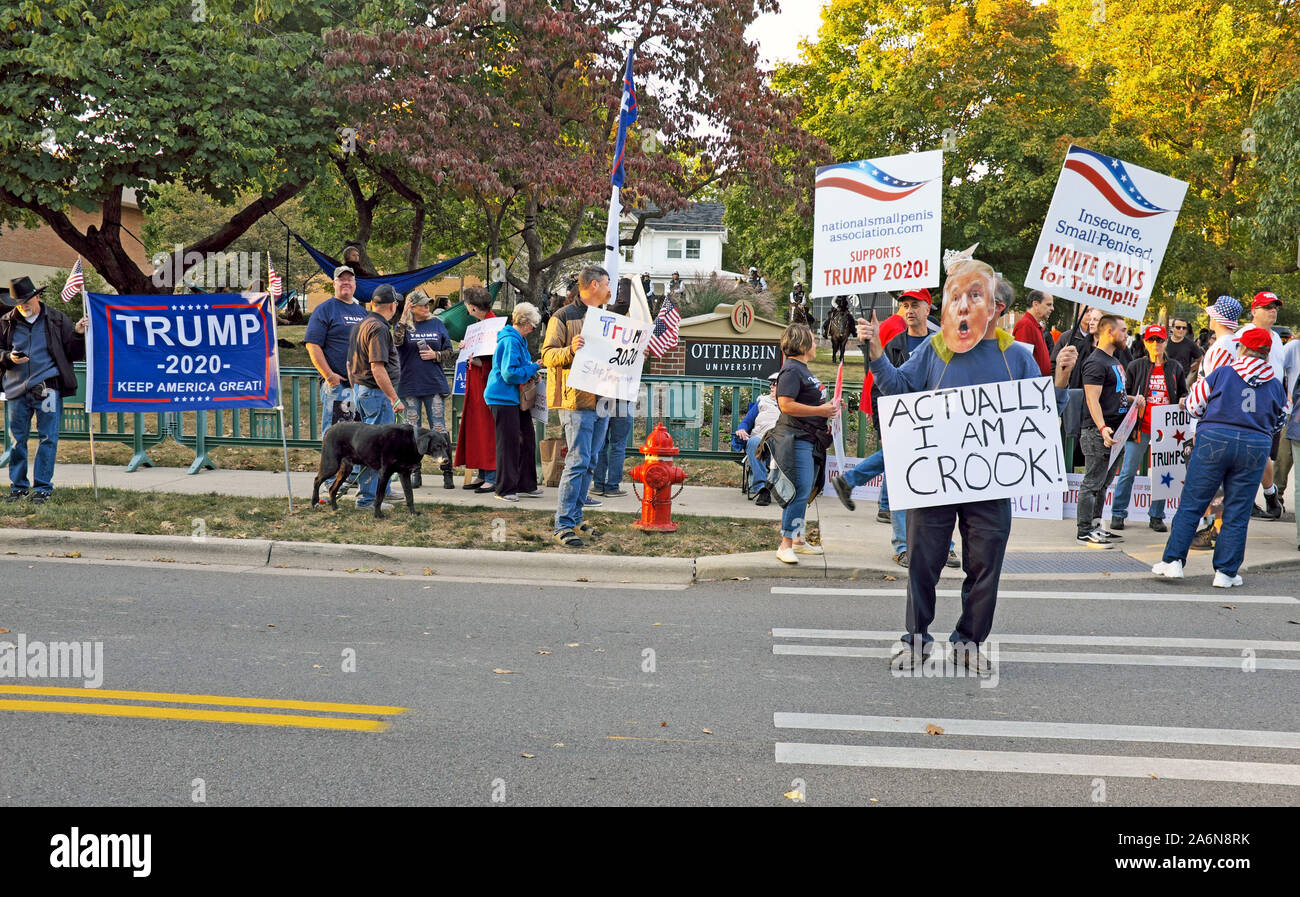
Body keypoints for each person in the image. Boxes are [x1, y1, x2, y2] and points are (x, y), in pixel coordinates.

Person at [860, 258, 1077, 672]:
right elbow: (898, 389)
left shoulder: (1015, 356)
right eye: (957, 296)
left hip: (990, 487)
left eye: (974, 296)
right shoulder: (936, 347)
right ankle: (916, 639)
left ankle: (968, 643)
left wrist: (1062, 380)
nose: (964, 306)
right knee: (923, 562)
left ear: (995, 306)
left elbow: (1042, 416)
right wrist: (875, 355)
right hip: (934, 480)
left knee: (985, 567)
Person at [1152, 328, 1290, 587]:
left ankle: (1173, 562)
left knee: (1193, 502)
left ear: (1244, 349)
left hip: (1215, 437)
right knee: (1237, 511)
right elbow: (1280, 420)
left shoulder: (1224, 373)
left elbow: (1194, 405)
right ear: (1266, 353)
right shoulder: (1274, 383)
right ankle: (1226, 572)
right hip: (1255, 444)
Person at [833, 288, 955, 568]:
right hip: (902, 424)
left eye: (916, 305)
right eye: (905, 305)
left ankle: (945, 547)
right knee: (901, 486)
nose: (910, 310)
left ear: (928, 308)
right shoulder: (895, 344)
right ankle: (903, 547)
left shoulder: (942, 343)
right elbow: (880, 383)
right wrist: (883, 420)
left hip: (937, 426)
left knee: (944, 487)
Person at [0, 276, 88, 503]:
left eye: (27, 301)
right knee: (17, 440)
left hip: (48, 387)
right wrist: (8, 357)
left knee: (48, 437)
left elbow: (74, 353)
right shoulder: (6, 322)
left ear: (37, 296)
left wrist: (78, 333)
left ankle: (42, 488)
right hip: (16, 389)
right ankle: (18, 487)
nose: (23, 306)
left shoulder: (57, 320)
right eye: (19, 303)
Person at [543, 265, 612, 547]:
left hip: (603, 399)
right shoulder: (562, 317)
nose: (610, 289)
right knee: (577, 461)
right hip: (575, 400)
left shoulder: (608, 319)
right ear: (594, 285)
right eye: (607, 284)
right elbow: (547, 356)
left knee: (590, 462)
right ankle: (563, 524)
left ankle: (576, 517)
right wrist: (571, 349)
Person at [769, 323, 839, 564]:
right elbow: (785, 404)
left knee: (805, 489)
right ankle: (785, 544)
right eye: (813, 339)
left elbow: (809, 402)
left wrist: (827, 409)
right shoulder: (791, 371)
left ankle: (797, 539)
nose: (816, 343)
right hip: (795, 439)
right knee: (798, 491)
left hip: (809, 439)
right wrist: (820, 410)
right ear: (802, 343)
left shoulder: (802, 369)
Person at [1110, 325, 1187, 534]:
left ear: (1166, 342)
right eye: (1151, 340)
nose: (1156, 344)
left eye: (1159, 340)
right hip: (1140, 426)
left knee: (1164, 473)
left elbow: (1184, 392)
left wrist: (1183, 400)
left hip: (1167, 427)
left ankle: (1157, 515)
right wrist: (1135, 399)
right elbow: (1122, 395)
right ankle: (1118, 513)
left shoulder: (1175, 367)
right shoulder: (1136, 366)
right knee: (1127, 471)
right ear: (1145, 342)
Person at [1075, 314, 1143, 547]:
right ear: (1109, 332)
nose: (1127, 335)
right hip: (1099, 432)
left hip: (1117, 431)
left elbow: (1114, 395)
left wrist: (1134, 399)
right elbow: (1092, 399)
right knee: (1092, 483)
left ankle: (1095, 525)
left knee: (1103, 484)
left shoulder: (1114, 361)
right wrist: (1103, 428)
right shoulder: (1096, 362)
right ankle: (1084, 530)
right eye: (1123, 330)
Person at [346, 284, 405, 511]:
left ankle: (384, 490)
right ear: (392, 305)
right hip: (377, 394)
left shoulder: (362, 324)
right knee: (376, 448)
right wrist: (394, 398)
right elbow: (378, 368)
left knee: (382, 447)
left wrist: (357, 391)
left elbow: (350, 364)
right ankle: (367, 499)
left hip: (364, 390)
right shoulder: (379, 328)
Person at [397, 290, 456, 489]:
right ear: (412, 308)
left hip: (433, 384)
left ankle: (447, 471)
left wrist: (436, 355)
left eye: (428, 304)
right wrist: (403, 316)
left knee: (439, 428)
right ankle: (414, 471)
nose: (427, 307)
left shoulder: (437, 323)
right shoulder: (403, 326)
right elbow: (396, 342)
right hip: (410, 385)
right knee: (412, 430)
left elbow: (449, 351)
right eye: (422, 305)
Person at [484, 303, 542, 502]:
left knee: (527, 439)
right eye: (533, 325)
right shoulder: (511, 341)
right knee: (508, 444)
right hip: (503, 398)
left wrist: (531, 371)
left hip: (512, 398)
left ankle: (525, 484)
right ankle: (504, 489)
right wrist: (533, 368)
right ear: (525, 323)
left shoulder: (516, 340)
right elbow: (510, 373)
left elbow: (516, 369)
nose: (534, 329)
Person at [1237, 291, 1286, 520]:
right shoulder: (1242, 336)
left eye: (1275, 306)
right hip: (1247, 402)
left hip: (1272, 402)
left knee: (1264, 453)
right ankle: (1258, 498)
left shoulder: (1276, 338)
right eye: (1267, 306)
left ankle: (1269, 492)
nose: (1273, 310)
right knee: (1254, 452)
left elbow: (1280, 371)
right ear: (1254, 311)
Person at [305, 265, 368, 434]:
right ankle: (332, 462)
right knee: (336, 435)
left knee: (358, 436)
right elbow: (312, 344)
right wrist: (330, 376)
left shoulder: (362, 312)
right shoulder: (324, 310)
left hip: (361, 385)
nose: (346, 282)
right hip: (338, 385)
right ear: (334, 283)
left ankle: (355, 463)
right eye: (342, 279)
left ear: (355, 284)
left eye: (350, 279)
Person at [453, 287, 498, 493]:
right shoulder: (481, 324)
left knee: (487, 429)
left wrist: (478, 362)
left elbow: (496, 359)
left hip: (486, 384)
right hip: (476, 383)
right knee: (477, 428)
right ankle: (482, 473)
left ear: (472, 307)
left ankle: (492, 475)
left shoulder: (492, 325)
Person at [732, 372, 781, 505]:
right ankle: (762, 489)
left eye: (775, 384)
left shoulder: (791, 404)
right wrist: (742, 429)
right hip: (759, 439)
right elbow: (747, 421)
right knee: (753, 442)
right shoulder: (762, 401)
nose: (771, 386)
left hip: (781, 441)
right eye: (770, 384)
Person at [1051, 305, 1099, 390]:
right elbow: (1054, 364)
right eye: (1087, 311)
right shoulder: (1067, 337)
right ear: (1078, 314)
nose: (1090, 314)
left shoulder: (1099, 339)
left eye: (1092, 311)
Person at [1012, 289, 1054, 376]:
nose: (1052, 309)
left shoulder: (1033, 326)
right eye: (1048, 304)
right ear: (1036, 304)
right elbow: (1022, 363)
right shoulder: (1026, 325)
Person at [1164, 317, 1203, 385]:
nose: (1181, 330)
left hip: (1183, 380)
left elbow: (1200, 359)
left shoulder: (1190, 344)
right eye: (1178, 327)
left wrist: (1190, 369)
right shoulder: (1165, 343)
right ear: (1172, 328)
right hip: (1165, 378)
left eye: (1184, 328)